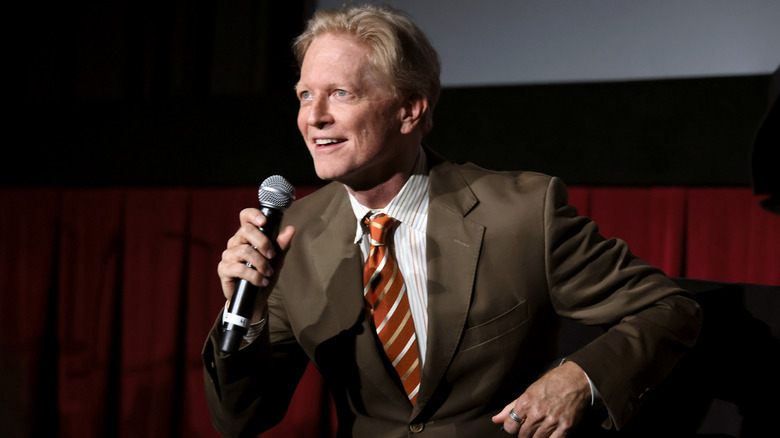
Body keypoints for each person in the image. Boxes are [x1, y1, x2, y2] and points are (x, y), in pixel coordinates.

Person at [203, 4, 702, 437]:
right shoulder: (294, 235)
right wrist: (247, 316)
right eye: (305, 95)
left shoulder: (524, 211)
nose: (314, 117)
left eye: (342, 93)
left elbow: (668, 309)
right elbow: (242, 419)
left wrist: (579, 378)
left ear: (410, 110)